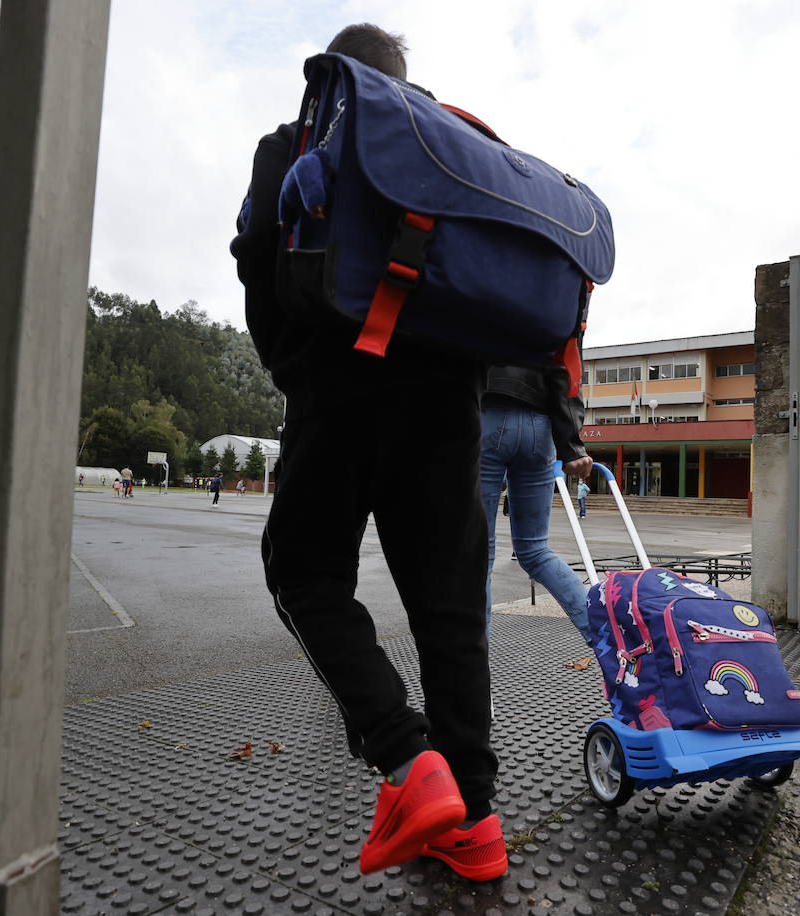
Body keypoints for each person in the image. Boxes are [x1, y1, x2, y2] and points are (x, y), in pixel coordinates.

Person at [230, 23, 503, 883]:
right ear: (402, 81)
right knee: (449, 608)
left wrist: (293, 369)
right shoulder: (455, 149)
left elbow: (256, 259)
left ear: (329, 76)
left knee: (302, 571)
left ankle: (407, 759)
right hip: (450, 402)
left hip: (339, 382)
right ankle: (477, 823)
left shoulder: (297, 141)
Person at [480, 365, 594, 645]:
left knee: (478, 552)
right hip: (540, 427)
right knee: (535, 550)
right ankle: (610, 644)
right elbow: (567, 367)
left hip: (486, 411)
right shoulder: (551, 318)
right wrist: (571, 445)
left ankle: (474, 676)